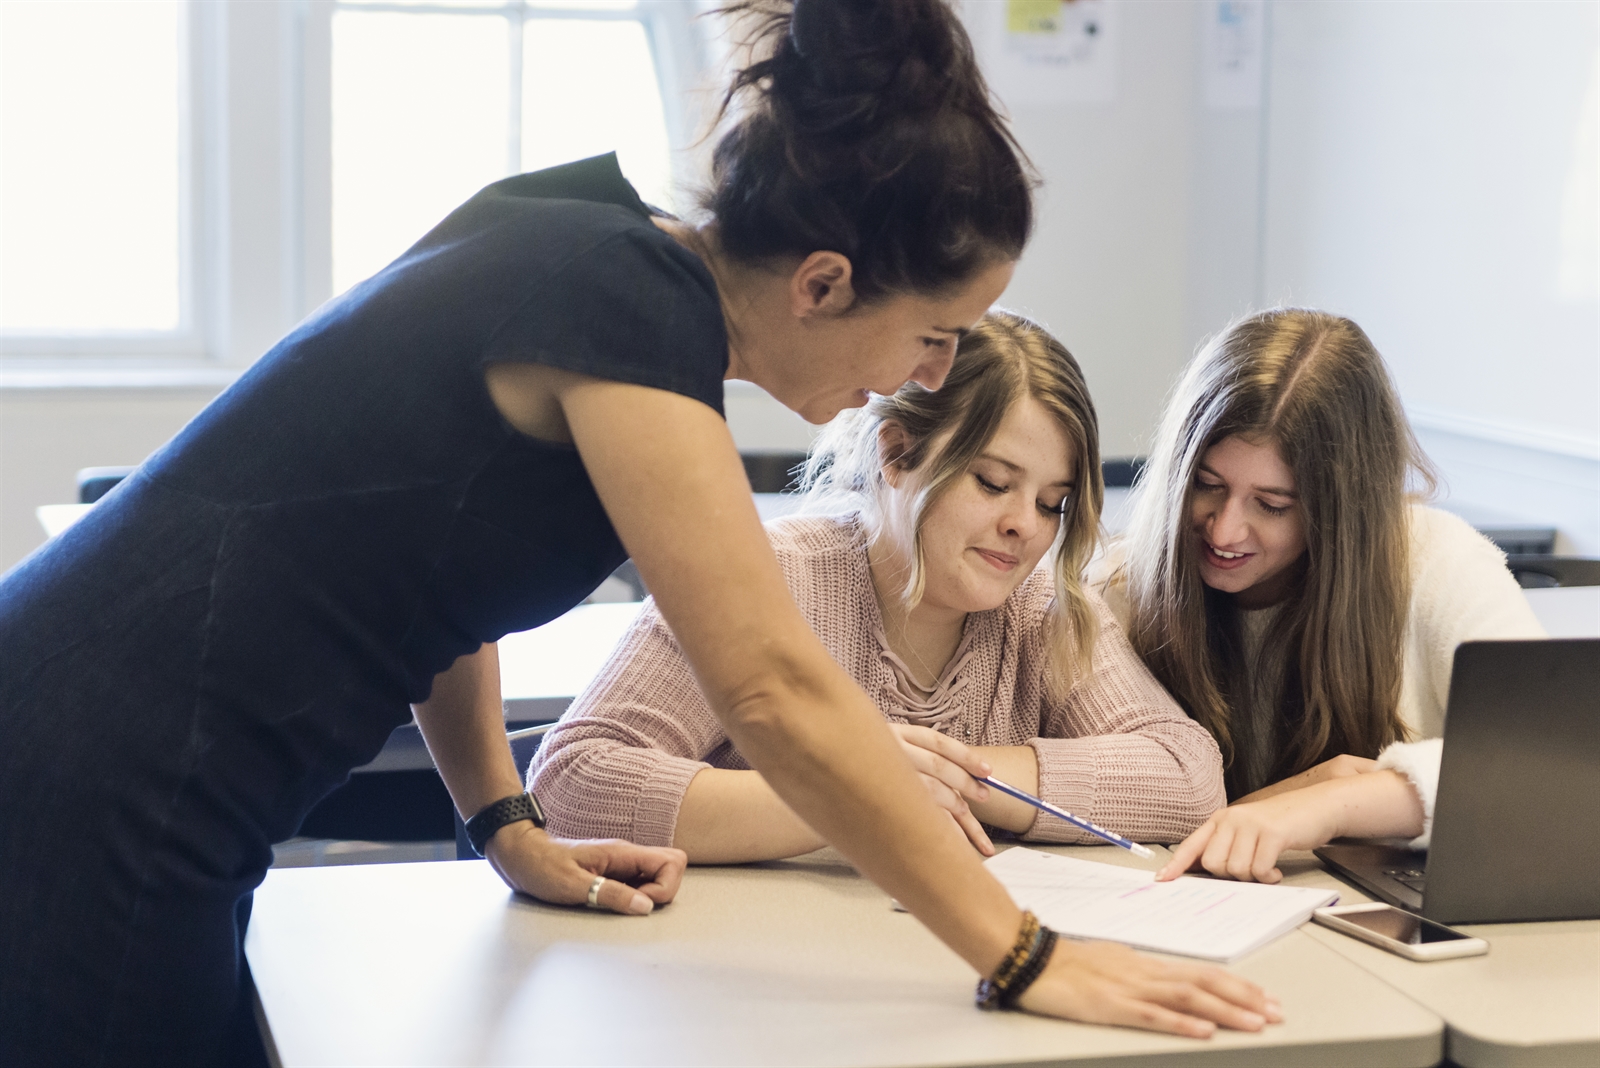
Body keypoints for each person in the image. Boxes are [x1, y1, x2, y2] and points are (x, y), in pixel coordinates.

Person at [0, 3, 1277, 1063]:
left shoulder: (569, 236)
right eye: (933, 335)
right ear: (822, 282)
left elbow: (438, 583)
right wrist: (1024, 953)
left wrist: (501, 822)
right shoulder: (629, 310)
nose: (931, 376)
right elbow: (773, 690)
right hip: (96, 777)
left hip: (111, 758)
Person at [529, 312, 1225, 862]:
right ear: (896, 453)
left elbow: (1188, 777)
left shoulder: (1042, 609)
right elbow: (571, 781)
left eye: (1052, 503)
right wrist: (853, 791)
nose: (1025, 526)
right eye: (992, 483)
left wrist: (943, 777)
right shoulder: (771, 577)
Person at [1088, 308, 1545, 885]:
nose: (1224, 530)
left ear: (1343, 510)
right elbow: (1099, 802)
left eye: (1272, 505)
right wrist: (1291, 796)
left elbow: (1554, 759)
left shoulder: (1438, 561)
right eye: (1206, 485)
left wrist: (1336, 805)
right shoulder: (1123, 587)